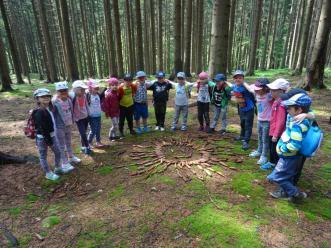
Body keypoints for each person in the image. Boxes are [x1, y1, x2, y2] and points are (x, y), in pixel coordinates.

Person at [267, 93, 312, 202]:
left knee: (278, 177)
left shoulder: (297, 125)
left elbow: (295, 145)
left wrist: (282, 149)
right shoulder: (304, 120)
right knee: (288, 175)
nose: (287, 109)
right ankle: (287, 193)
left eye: (289, 108)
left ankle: (295, 193)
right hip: (293, 156)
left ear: (299, 110)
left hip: (288, 156)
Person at [33, 88, 64, 181]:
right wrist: (48, 140)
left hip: (52, 135)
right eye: (42, 97)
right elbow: (42, 128)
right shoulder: (39, 111)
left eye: (47, 96)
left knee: (58, 152)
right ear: (37, 99)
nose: (46, 98)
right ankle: (48, 173)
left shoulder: (49, 108)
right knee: (43, 155)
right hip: (43, 138)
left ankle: (58, 168)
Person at [260, 78, 290, 170]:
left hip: (277, 132)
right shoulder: (276, 101)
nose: (271, 92)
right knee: (271, 147)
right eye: (271, 90)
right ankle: (272, 162)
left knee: (275, 149)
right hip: (272, 129)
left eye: (273, 90)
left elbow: (280, 121)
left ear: (281, 91)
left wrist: (276, 135)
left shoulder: (281, 104)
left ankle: (274, 164)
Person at [53, 81, 81, 172]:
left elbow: (71, 110)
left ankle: (71, 156)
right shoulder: (55, 102)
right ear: (57, 92)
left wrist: (72, 120)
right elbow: (51, 114)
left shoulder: (69, 100)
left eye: (65, 90)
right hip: (59, 126)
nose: (63, 92)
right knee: (61, 145)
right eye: (61, 91)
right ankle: (64, 163)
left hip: (68, 124)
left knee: (68, 142)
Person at [244, 78, 273, 165]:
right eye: (256, 89)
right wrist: (243, 82)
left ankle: (264, 156)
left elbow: (279, 95)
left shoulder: (269, 96)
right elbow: (249, 88)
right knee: (260, 137)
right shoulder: (256, 92)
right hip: (259, 120)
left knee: (265, 139)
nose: (256, 91)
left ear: (265, 88)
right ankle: (259, 151)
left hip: (267, 121)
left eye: (259, 90)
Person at [230, 70, 255, 150]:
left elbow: (251, 90)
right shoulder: (234, 86)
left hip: (249, 108)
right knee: (242, 123)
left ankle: (246, 141)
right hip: (241, 108)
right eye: (236, 78)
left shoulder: (245, 86)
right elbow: (230, 88)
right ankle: (242, 136)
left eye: (240, 78)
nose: (238, 79)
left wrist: (244, 83)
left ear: (243, 79)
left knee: (248, 125)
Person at [71, 80, 92, 155]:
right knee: (82, 133)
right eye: (81, 89)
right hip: (78, 119)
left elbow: (86, 105)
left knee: (84, 132)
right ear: (76, 89)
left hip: (85, 116)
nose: (83, 90)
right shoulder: (72, 97)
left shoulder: (84, 95)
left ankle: (82, 146)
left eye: (84, 89)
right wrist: (73, 118)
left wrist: (89, 114)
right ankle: (87, 146)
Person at [86, 79, 105, 148]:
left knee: (98, 128)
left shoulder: (98, 95)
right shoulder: (88, 96)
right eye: (95, 88)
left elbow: (102, 98)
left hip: (98, 115)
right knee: (93, 129)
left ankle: (98, 141)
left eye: (98, 88)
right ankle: (89, 142)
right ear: (90, 88)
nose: (97, 89)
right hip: (91, 116)